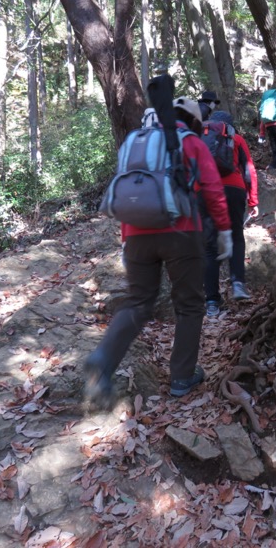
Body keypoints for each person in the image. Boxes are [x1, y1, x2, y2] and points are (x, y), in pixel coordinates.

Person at [84, 97, 233, 409]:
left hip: (136, 234)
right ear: (194, 121)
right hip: (182, 232)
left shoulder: (136, 142)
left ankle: (104, 358)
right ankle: (182, 376)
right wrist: (224, 230)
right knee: (189, 304)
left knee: (138, 301)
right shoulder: (191, 141)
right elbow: (212, 189)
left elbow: (131, 191)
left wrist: (126, 238)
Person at [202, 111, 259, 316]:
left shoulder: (200, 137)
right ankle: (237, 284)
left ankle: (211, 302)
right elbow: (249, 170)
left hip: (206, 191)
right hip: (234, 190)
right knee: (236, 237)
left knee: (210, 247)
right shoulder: (236, 139)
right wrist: (253, 201)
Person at [258, 88, 276, 170]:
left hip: (268, 125)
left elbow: (262, 118)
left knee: (275, 148)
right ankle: (273, 166)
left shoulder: (266, 101)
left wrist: (262, 133)